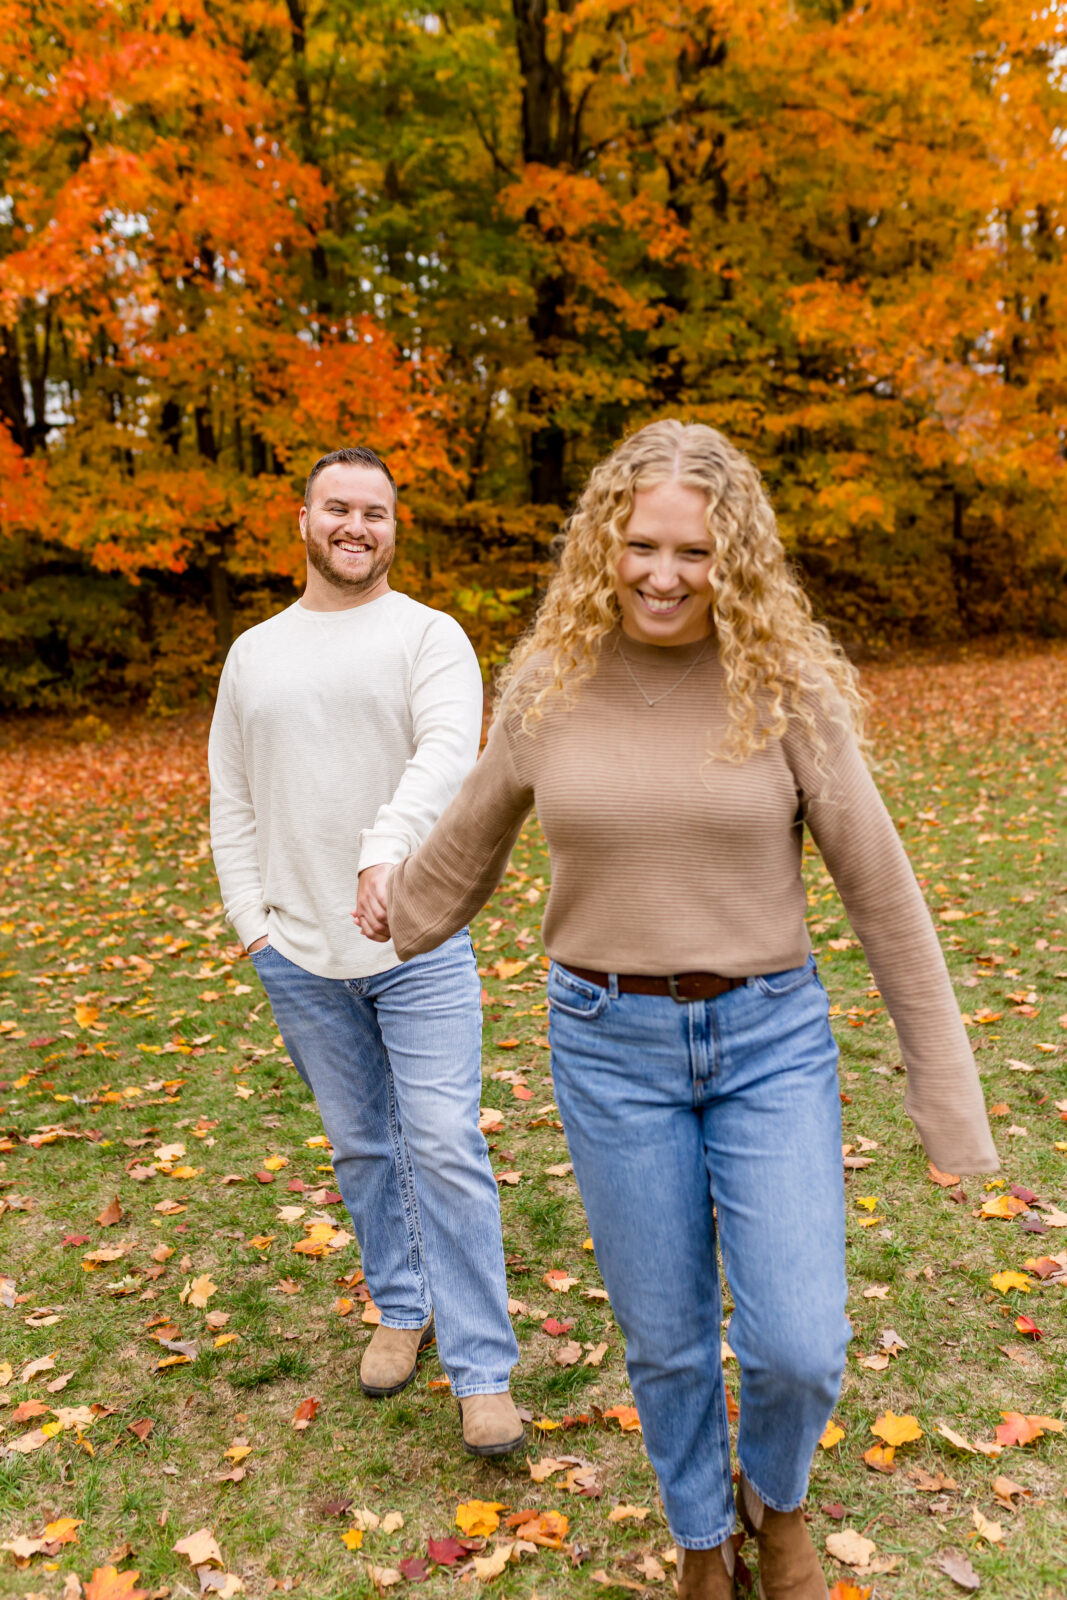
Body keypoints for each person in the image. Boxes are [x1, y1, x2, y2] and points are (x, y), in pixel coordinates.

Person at [354, 421, 998, 1597]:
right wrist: (395, 909)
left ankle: (775, 1498)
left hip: (767, 1039)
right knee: (665, 1342)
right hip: (607, 1049)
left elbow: (880, 888)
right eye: (640, 545)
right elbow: (470, 836)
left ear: (731, 558)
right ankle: (702, 1536)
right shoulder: (550, 684)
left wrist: (943, 1089)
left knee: (798, 1343)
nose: (661, 573)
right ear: (606, 542)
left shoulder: (784, 686)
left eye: (692, 552)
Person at [208, 445, 523, 1457]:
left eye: (375, 512)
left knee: (442, 1142)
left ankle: (482, 1370)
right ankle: (401, 1303)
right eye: (337, 508)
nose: (356, 526)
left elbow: (444, 755)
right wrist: (251, 924)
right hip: (296, 949)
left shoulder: (427, 637)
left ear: (395, 526)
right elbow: (233, 796)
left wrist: (384, 851)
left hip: (418, 939)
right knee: (359, 1144)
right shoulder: (255, 652)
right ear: (301, 518)